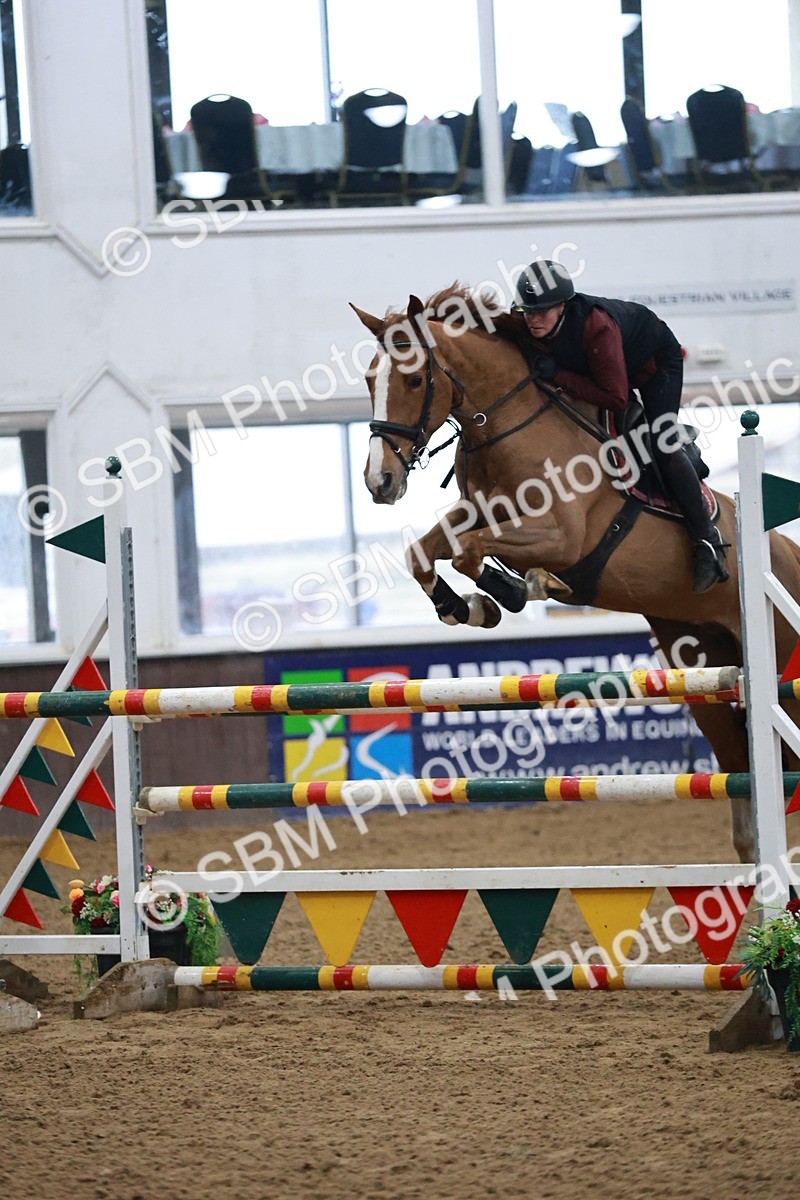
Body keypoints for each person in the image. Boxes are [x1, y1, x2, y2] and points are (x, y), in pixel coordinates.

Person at [511, 259, 728, 593]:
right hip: (605, 367)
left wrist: (558, 375)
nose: (533, 320)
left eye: (541, 312)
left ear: (563, 307)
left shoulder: (597, 326)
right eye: (527, 311)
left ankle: (706, 539)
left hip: (654, 365)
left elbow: (616, 399)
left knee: (659, 442)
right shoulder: (526, 319)